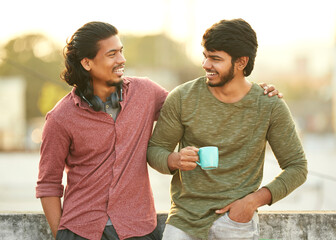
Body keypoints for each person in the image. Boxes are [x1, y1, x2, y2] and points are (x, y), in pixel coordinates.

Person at [36, 21, 281, 240]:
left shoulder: (146, 92)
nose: (121, 59)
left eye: (121, 51)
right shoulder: (60, 118)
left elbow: (196, 105)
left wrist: (249, 90)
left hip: (136, 229)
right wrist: (61, 236)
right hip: (81, 230)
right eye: (112, 54)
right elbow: (48, 184)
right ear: (87, 62)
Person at [147, 18, 307, 240]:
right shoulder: (182, 97)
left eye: (215, 58)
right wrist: (174, 160)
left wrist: (252, 202)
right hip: (184, 221)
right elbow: (155, 150)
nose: (205, 64)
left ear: (241, 62)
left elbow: (297, 167)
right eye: (205, 55)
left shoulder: (269, 105)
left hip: (237, 222)